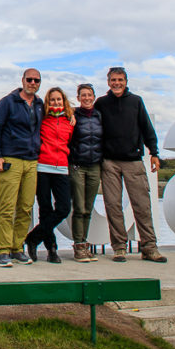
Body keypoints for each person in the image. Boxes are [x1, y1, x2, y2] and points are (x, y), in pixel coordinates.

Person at [95, 67, 167, 263]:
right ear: (108, 82)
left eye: (120, 80)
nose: (116, 83)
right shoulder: (101, 103)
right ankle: (119, 248)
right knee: (113, 206)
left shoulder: (136, 101)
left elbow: (146, 128)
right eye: (113, 80)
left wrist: (154, 152)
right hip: (109, 162)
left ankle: (149, 247)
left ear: (126, 81)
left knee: (142, 206)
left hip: (134, 161)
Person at [0, 68, 44, 267]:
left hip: (32, 161)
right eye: (29, 79)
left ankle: (17, 247)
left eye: (36, 80)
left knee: (26, 207)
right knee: (6, 207)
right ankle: (2, 250)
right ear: (22, 80)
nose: (32, 82)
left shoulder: (39, 104)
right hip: (11, 159)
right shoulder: (8, 102)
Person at [24, 87, 73, 263]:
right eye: (52, 100)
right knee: (45, 210)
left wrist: (72, 113)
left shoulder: (70, 121)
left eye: (59, 99)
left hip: (61, 169)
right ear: (47, 102)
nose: (56, 102)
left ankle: (33, 238)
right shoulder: (41, 119)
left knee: (63, 208)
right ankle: (52, 251)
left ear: (64, 101)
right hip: (43, 167)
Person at [68, 83, 103, 262]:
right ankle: (78, 246)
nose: (87, 98)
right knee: (79, 207)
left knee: (88, 208)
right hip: (77, 166)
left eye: (89, 95)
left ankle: (84, 242)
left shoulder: (99, 115)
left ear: (94, 97)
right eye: (83, 95)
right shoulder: (73, 115)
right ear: (78, 97)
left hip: (95, 166)